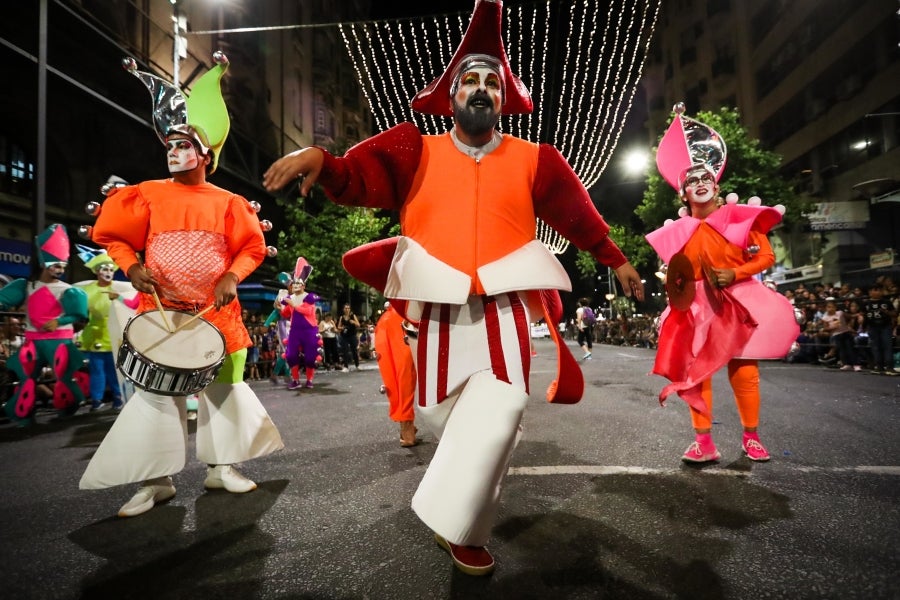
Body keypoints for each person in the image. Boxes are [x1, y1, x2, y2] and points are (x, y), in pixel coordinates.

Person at [263, 0, 643, 576]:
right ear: (452, 95)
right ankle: (458, 512)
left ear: (505, 96)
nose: (482, 89)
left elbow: (576, 214)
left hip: (506, 309)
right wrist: (321, 156)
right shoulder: (415, 149)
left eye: (493, 81)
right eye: (471, 80)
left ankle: (462, 529)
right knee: (445, 421)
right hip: (435, 313)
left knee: (503, 410)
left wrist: (617, 260)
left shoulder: (536, 158)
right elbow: (357, 177)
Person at [78, 52, 284, 517]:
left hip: (219, 317)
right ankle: (156, 481)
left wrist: (233, 275)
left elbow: (251, 248)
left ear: (205, 154)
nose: (172, 151)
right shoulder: (147, 193)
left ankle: (222, 468)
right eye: (169, 145)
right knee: (154, 394)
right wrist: (131, 268)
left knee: (224, 390)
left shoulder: (230, 201)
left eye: (183, 145)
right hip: (162, 311)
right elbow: (114, 238)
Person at [646, 104, 798, 464]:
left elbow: (765, 257)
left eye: (705, 179)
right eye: (692, 182)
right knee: (697, 375)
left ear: (716, 185)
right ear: (683, 195)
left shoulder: (739, 219)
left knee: (744, 371)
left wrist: (736, 274)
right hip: (698, 308)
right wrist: (676, 287)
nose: (699, 184)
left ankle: (751, 437)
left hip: (739, 301)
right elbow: (677, 272)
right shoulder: (676, 232)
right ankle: (704, 443)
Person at [0, 224, 89, 426]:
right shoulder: (27, 285)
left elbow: (77, 314)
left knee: (64, 378)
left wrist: (59, 321)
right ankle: (23, 415)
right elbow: (4, 299)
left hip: (59, 341)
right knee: (26, 379)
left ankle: (67, 410)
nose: (60, 270)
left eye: (62, 266)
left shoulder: (68, 290)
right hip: (33, 340)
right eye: (56, 265)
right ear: (43, 263)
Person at [73, 246, 139, 411]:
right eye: (104, 268)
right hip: (96, 335)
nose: (108, 272)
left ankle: (118, 397)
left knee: (115, 369)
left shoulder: (119, 288)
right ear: (96, 271)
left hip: (116, 335)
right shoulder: (87, 289)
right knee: (97, 370)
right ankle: (96, 400)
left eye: (110, 268)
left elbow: (133, 299)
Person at [375, 302, 418, 447]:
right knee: (401, 375)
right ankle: (407, 427)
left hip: (399, 319)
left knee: (402, 375)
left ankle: (407, 426)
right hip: (400, 319)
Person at [280, 258, 321, 389]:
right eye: (294, 284)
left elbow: (308, 311)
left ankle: (309, 380)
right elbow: (286, 313)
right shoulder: (289, 299)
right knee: (291, 355)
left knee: (310, 357)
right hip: (295, 331)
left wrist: (293, 305)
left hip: (310, 330)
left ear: (303, 285)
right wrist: (281, 306)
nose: (296, 286)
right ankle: (296, 380)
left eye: (299, 284)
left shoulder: (309, 297)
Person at [861, 283, 897, 375]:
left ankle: (889, 367)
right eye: (876, 290)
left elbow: (894, 314)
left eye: (880, 290)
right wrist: (863, 326)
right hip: (872, 326)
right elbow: (863, 315)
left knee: (887, 346)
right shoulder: (866, 303)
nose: (878, 292)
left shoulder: (886, 302)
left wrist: (887, 312)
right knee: (875, 347)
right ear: (870, 292)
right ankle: (879, 366)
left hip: (885, 326)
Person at [820, 299, 861, 371]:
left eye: (832, 307)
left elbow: (849, 316)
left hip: (846, 333)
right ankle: (846, 364)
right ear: (826, 308)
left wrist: (857, 315)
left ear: (835, 308)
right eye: (828, 307)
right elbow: (825, 328)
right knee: (842, 350)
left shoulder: (840, 313)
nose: (830, 309)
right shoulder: (825, 317)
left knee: (850, 349)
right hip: (836, 335)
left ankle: (856, 364)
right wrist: (831, 327)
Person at [336, 303, 360, 371]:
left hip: (352, 335)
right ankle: (346, 366)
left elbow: (358, 324)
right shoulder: (341, 317)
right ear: (343, 309)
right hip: (344, 336)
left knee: (354, 350)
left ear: (350, 309)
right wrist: (342, 328)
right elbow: (338, 326)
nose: (347, 310)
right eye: (345, 308)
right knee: (345, 350)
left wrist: (353, 322)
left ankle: (357, 365)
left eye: (348, 308)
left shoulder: (353, 316)